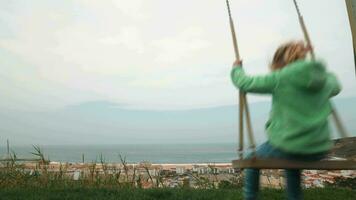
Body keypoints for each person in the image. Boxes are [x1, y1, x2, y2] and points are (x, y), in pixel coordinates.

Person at [230, 41, 341, 200]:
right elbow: (336, 86)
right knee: (292, 168)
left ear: (281, 62)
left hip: (288, 146)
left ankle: (250, 198)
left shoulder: (282, 77)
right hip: (318, 150)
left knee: (250, 161)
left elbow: (245, 83)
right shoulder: (322, 81)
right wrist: (314, 65)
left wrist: (236, 68)